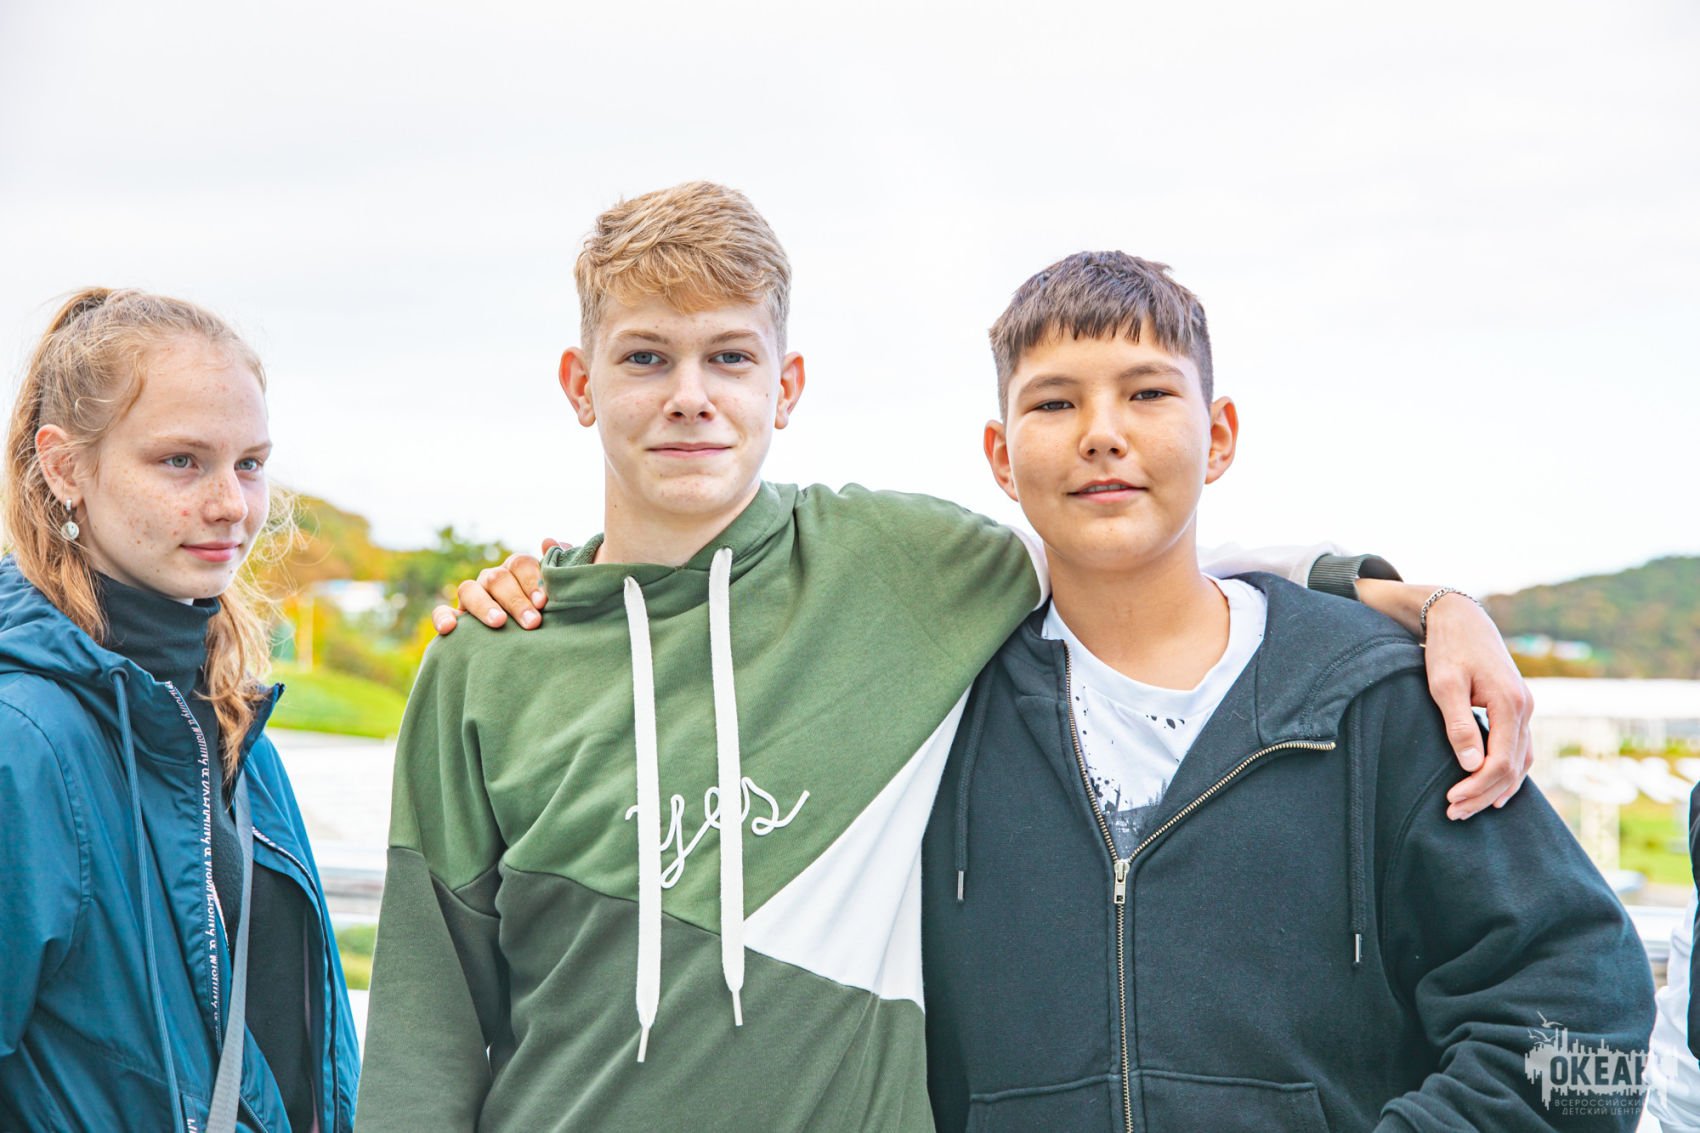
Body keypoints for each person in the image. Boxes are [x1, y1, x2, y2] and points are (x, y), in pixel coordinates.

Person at [358, 182, 1532, 1131]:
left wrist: (1405, 595)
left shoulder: (904, 567)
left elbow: (1118, 537)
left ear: (786, 385)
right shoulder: (488, 659)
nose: (690, 398)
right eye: (644, 359)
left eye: (728, 357)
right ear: (580, 384)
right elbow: (423, 1029)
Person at [919, 251, 1654, 1131]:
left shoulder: (1378, 697)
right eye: (1053, 402)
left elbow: (1588, 1025)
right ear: (1000, 456)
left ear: (1219, 435)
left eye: (1147, 392)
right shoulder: (937, 713)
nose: (1102, 432)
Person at [0, 289, 360, 1132]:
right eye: (181, 462)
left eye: (250, 463)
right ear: (65, 468)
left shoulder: (231, 720)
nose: (231, 503)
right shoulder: (24, 741)